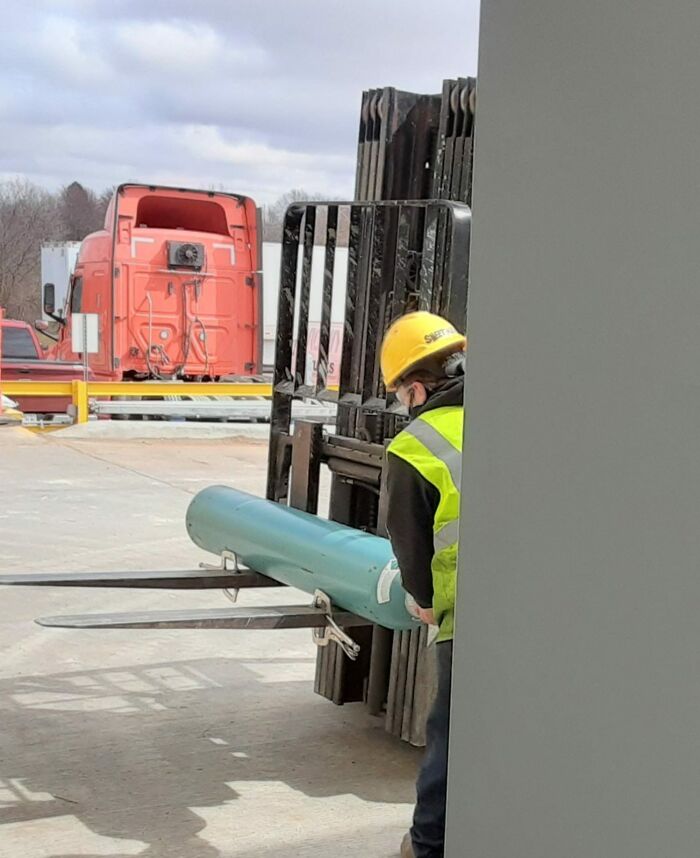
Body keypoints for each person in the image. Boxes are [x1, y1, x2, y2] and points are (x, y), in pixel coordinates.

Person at [380, 311, 466, 858]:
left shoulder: (415, 446)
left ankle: (428, 846)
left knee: (450, 737)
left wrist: (426, 601)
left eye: (398, 397)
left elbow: (411, 545)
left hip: (468, 617)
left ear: (415, 388)